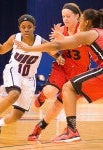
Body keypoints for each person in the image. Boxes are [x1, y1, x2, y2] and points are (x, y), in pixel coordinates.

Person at [14, 8, 103, 142]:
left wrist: (28, 48)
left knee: (68, 89)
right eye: (63, 16)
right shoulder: (93, 33)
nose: (66, 19)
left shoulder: (89, 33)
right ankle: (48, 121)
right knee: (58, 92)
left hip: (80, 70)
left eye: (81, 18)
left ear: (85, 21)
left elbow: (56, 44)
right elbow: (61, 44)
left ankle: (71, 131)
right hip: (64, 68)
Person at [0, 14, 51, 140]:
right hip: (13, 71)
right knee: (14, 93)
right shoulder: (15, 38)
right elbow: (1, 50)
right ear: (19, 28)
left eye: (29, 27)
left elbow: (53, 50)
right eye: (23, 27)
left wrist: (59, 57)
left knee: (17, 115)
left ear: (34, 28)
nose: (26, 29)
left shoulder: (41, 42)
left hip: (29, 79)